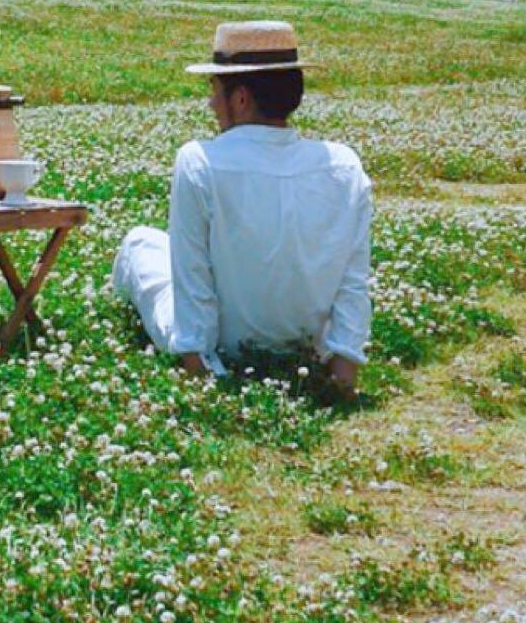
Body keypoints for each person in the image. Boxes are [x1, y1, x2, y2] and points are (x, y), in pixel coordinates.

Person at [112, 21, 372, 396]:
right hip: (309, 345)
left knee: (140, 243)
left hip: (226, 343)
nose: (210, 104)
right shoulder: (344, 165)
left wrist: (199, 367)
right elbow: (352, 279)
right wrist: (343, 371)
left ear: (241, 98)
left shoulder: (199, 160)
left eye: (214, 90)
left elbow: (193, 275)